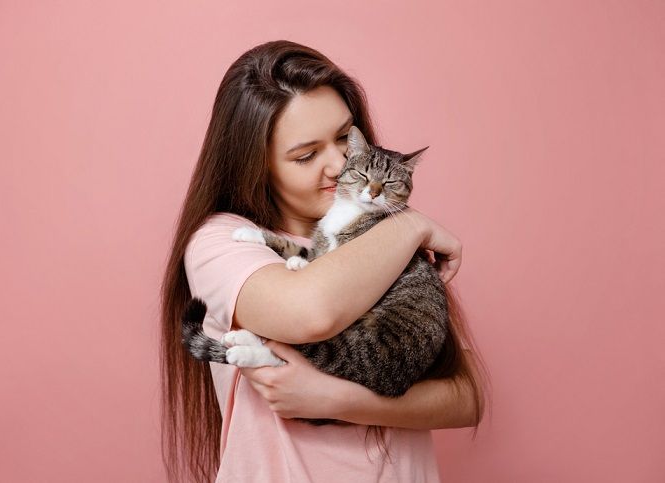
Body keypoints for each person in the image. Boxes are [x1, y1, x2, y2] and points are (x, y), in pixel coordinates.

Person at [160, 40, 491, 483]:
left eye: (343, 137)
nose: (339, 163)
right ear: (256, 165)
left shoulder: (381, 233)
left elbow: (466, 396)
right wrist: (411, 227)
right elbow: (310, 312)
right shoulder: (222, 241)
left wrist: (334, 399)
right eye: (307, 154)